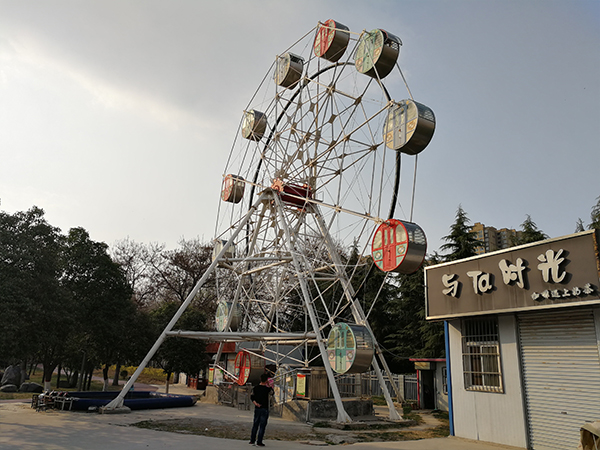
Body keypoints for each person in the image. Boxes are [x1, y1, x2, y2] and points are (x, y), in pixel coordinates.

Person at [249, 373, 273, 447]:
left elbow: (252, 397)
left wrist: (255, 403)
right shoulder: (267, 389)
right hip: (264, 408)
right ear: (266, 381)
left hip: (257, 408)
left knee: (255, 424)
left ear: (260, 379)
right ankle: (259, 441)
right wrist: (269, 385)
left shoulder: (255, 388)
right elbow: (272, 393)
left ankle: (252, 440)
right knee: (262, 426)